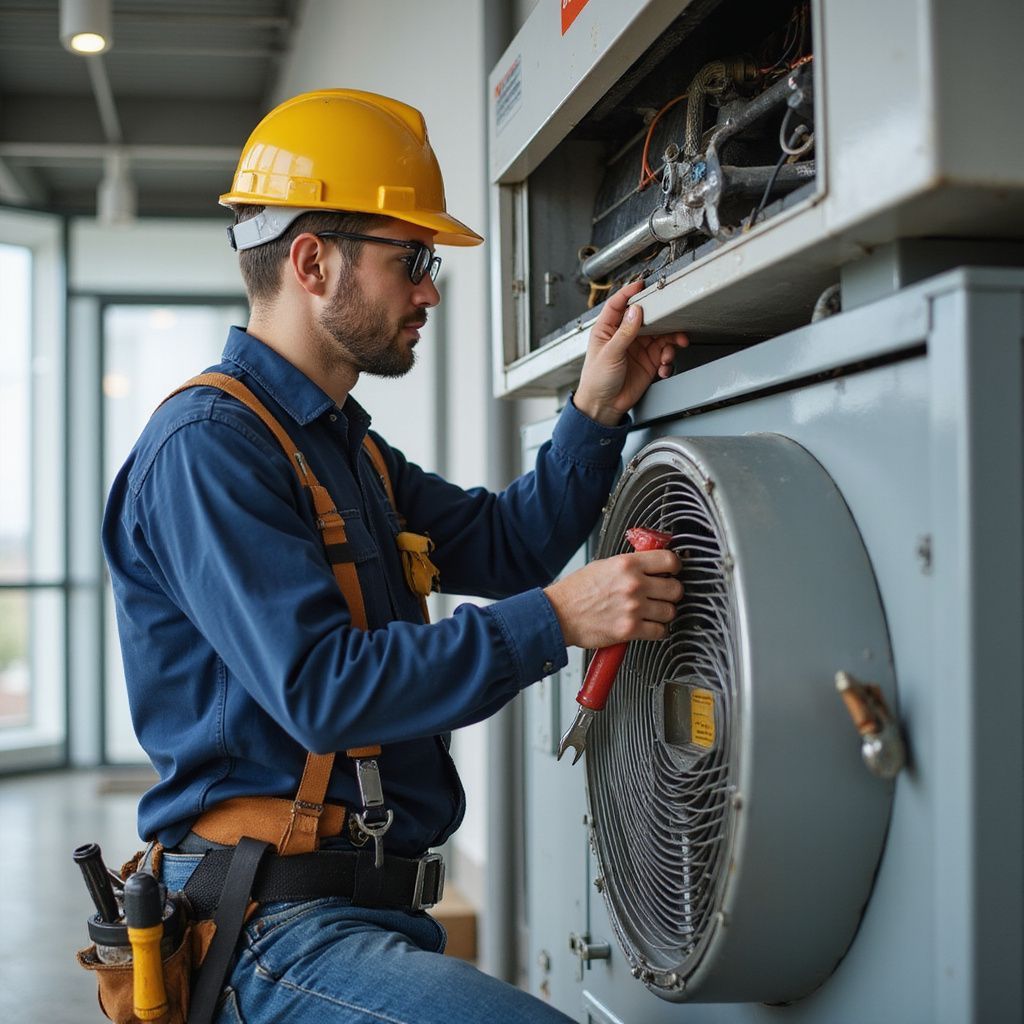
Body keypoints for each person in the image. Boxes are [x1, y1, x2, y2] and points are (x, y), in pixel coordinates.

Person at [102, 89, 686, 1024]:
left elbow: (505, 543)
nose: (430, 289)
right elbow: (325, 688)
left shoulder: (345, 451)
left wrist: (595, 410)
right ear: (312, 261)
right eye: (410, 259)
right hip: (267, 931)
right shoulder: (208, 448)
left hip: (354, 916)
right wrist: (559, 619)